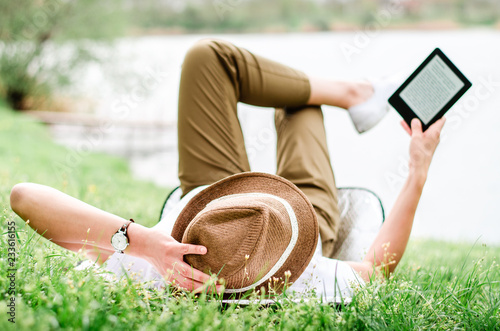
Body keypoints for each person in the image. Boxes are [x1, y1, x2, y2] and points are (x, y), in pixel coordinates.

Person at [9, 39, 445, 298]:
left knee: (206, 57)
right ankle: (353, 91)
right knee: (299, 105)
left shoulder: (154, 268)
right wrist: (419, 169)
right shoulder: (305, 278)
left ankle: (353, 92)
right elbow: (376, 270)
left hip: (207, 203)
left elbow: (25, 197)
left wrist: (149, 245)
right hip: (301, 220)